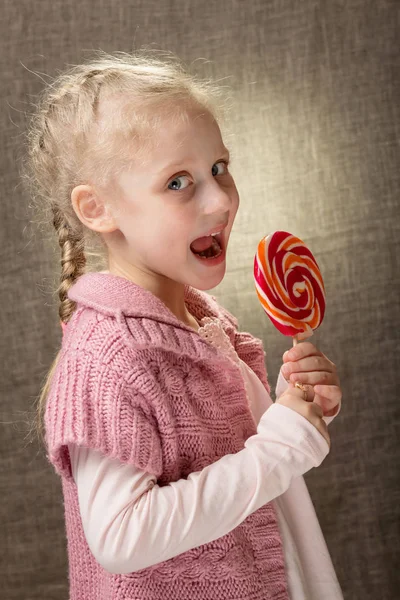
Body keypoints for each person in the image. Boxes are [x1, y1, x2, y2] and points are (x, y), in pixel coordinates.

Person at [25, 50, 343, 600]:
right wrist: (280, 447)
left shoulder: (201, 320)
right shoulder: (107, 357)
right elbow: (123, 537)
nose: (219, 199)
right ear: (98, 209)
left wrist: (296, 407)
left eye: (219, 168)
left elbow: (238, 461)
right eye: (179, 182)